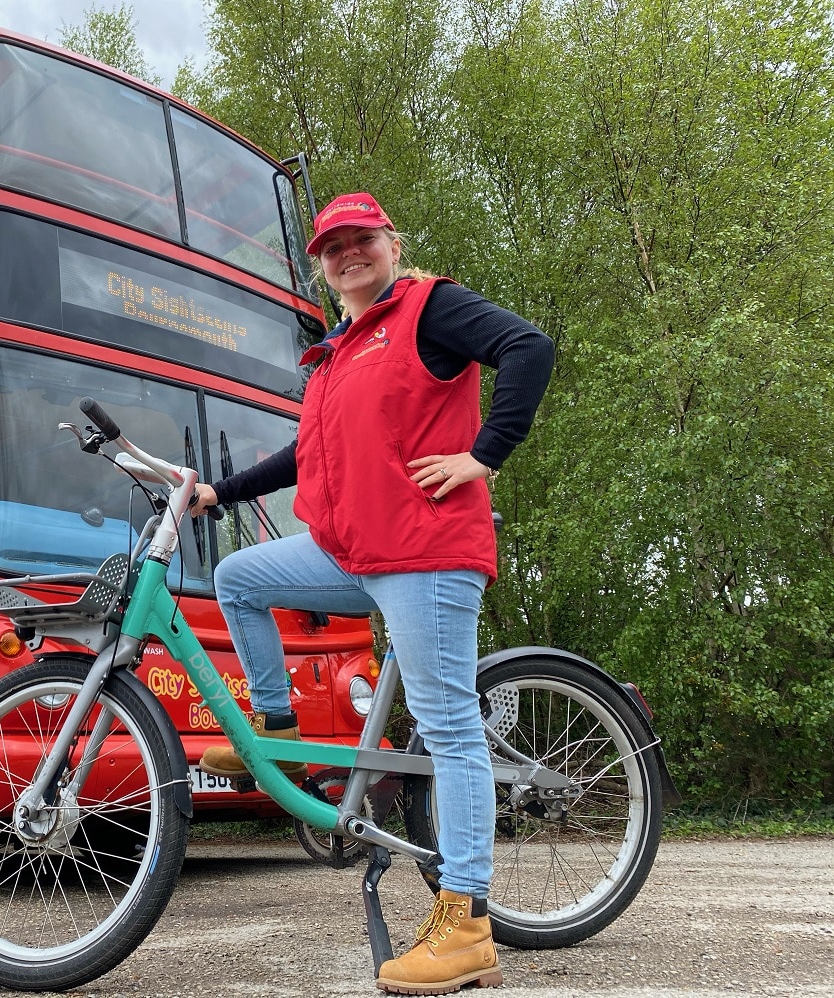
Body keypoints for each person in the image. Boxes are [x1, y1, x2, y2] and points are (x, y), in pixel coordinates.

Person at [193, 193, 554, 995]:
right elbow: (302, 456)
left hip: (424, 552)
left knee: (447, 727)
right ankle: (274, 728)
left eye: (362, 240)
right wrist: (218, 492)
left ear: (391, 245)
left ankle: (466, 927)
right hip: (355, 553)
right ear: (321, 266)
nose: (347, 255)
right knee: (238, 577)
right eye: (332, 247)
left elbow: (529, 348)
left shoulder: (430, 308)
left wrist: (484, 456)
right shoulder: (338, 350)